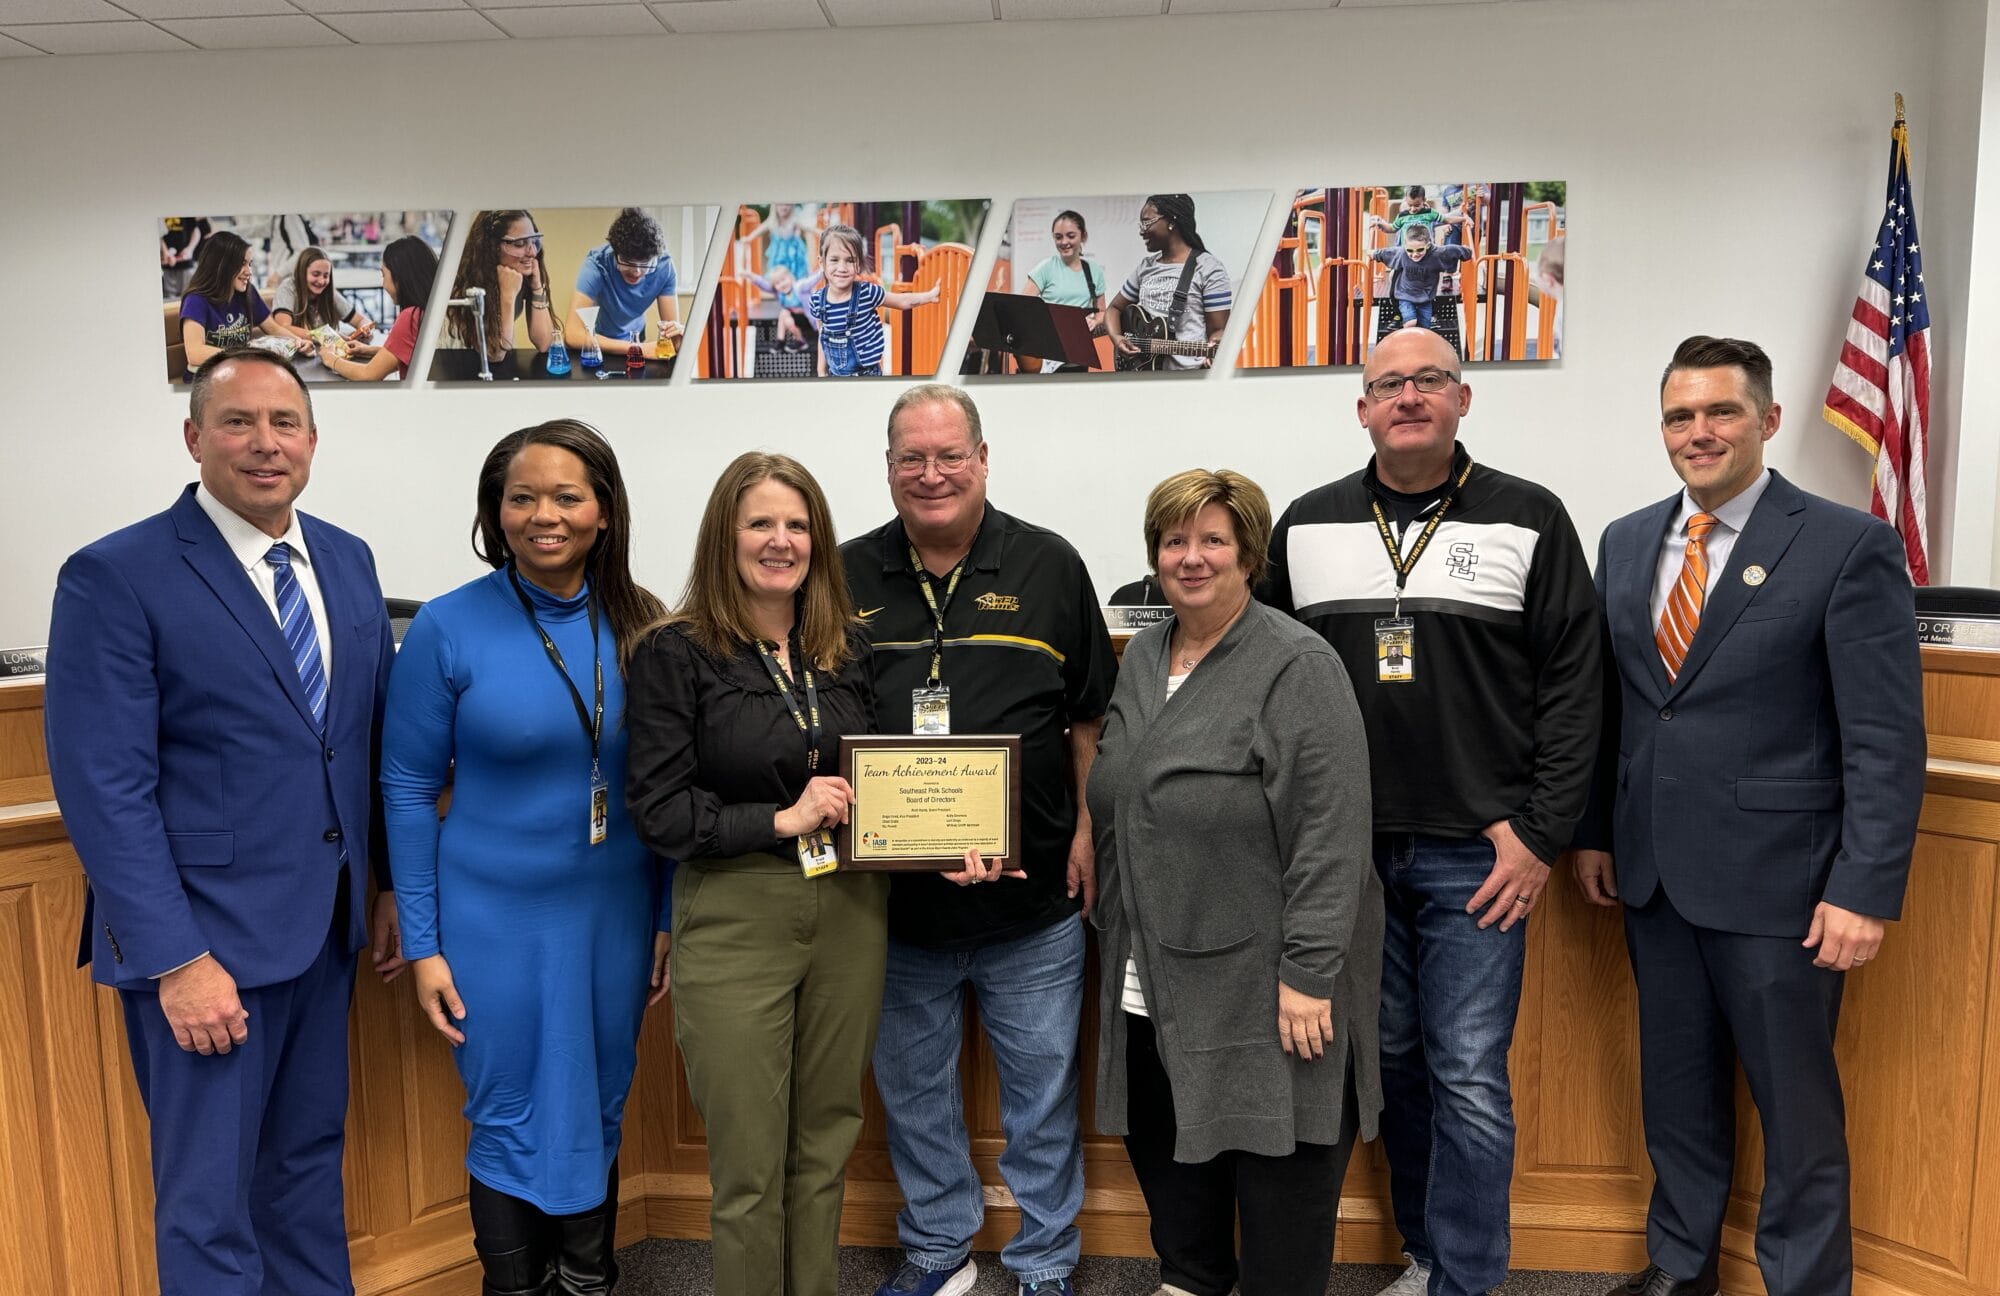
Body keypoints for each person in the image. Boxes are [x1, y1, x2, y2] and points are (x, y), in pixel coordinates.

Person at [1574, 336, 1926, 1296]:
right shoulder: (1626, 540)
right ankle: (1680, 1267)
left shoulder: (1847, 543)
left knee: (1797, 1114)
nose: (1699, 432)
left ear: (1767, 420)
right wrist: (1597, 831)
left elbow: (1885, 738)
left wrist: (1865, 888)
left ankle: (1804, 1283)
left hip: (1785, 886)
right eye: (1680, 416)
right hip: (1653, 876)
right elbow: (1618, 706)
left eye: (1721, 411)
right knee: (1675, 1095)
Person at [44, 348, 398, 1296]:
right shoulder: (116, 574)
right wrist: (176, 960)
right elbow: (103, 787)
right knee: (208, 1207)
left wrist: (387, 888)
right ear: (194, 437)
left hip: (323, 934)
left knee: (304, 1175)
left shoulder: (348, 559)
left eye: (285, 423)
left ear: (313, 441)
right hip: (205, 951)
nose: (264, 443)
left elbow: (361, 747)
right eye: (238, 422)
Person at [1263, 326, 1602, 1296]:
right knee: (1394, 1065)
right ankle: (1423, 1253)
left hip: (1478, 859)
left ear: (1463, 398)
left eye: (1428, 381)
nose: (1407, 397)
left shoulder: (1529, 517)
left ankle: (1468, 1279)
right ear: (1361, 408)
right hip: (1348, 856)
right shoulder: (1307, 524)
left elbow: (1575, 687)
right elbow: (1268, 681)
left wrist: (1539, 833)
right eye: (1388, 385)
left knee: (1467, 1074)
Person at [382, 420, 670, 1296]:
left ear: (604, 511)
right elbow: (407, 788)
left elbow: (667, 786)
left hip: (615, 916)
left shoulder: (645, 623)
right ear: (495, 511)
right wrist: (424, 945)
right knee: (507, 1107)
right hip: (490, 923)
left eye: (567, 496)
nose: (545, 515)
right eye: (522, 497)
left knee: (597, 1097)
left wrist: (665, 917)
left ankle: (589, 1282)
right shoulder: (446, 626)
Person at [842, 384, 1117, 1296]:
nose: (932, 474)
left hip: (1032, 904)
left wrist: (1087, 829)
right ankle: (938, 1250)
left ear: (983, 459)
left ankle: (1044, 1260)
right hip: (892, 909)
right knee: (914, 1093)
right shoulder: (840, 575)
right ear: (888, 468)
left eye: (950, 455)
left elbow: (1089, 718)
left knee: (1042, 1094)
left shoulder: (1048, 564)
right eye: (912, 458)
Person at [1088, 468, 1381, 1296]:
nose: (1192, 557)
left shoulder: (1298, 665)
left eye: (1213, 540)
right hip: (1151, 980)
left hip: (1270, 988)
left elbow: (1332, 834)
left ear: (1248, 554)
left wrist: (1309, 973)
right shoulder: (1146, 657)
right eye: (1174, 540)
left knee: (1281, 1195)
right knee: (1176, 1180)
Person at [624, 452, 888, 1296]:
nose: (781, 541)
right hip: (735, 909)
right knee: (748, 1161)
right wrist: (780, 819)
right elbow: (660, 812)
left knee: (826, 1140)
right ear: (724, 536)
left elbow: (885, 780)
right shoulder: (674, 652)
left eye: (798, 525)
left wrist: (947, 839)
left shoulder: (848, 647)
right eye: (760, 523)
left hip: (849, 909)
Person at [1104, 194, 1232, 370]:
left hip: (1189, 376)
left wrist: (1217, 345)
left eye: (1147, 222)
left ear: (1171, 221)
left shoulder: (1208, 268)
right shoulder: (1146, 266)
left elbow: (1218, 330)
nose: (1141, 231)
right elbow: (1114, 308)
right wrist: (1117, 339)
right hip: (1145, 374)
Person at [809, 223, 940, 377]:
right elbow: (823, 336)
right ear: (822, 263)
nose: (842, 268)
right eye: (834, 260)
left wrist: (930, 295)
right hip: (836, 378)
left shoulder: (867, 293)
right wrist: (821, 371)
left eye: (850, 260)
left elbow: (901, 301)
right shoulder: (817, 301)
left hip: (868, 375)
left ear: (858, 265)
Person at [180, 230, 310, 379]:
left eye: (250, 264)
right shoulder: (196, 300)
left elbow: (274, 328)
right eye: (242, 264)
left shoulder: (248, 292)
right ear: (221, 265)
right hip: (205, 380)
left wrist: (299, 342)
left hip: (239, 373)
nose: (249, 272)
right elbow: (195, 353)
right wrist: (248, 355)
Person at [563, 207, 685, 358]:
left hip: (637, 336)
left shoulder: (664, 267)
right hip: (601, 342)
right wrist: (639, 349)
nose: (637, 272)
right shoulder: (597, 264)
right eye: (628, 263)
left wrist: (680, 334)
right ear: (615, 253)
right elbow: (572, 334)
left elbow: (673, 340)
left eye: (645, 264)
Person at [322, 235, 436, 382]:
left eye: (383, 275)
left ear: (400, 277)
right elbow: (410, 354)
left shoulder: (411, 317)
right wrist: (369, 350)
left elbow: (368, 375)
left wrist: (331, 359)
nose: (383, 284)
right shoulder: (429, 312)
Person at [448, 209, 557, 362]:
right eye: (519, 244)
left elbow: (544, 343)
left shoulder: (520, 274)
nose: (532, 252)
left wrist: (537, 287)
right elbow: (495, 354)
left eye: (534, 242)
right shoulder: (466, 285)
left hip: (499, 354)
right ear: (492, 247)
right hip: (457, 360)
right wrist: (508, 296)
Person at [1369, 223, 1475, 332]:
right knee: (1411, 322)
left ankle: (1417, 342)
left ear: (1428, 245)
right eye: (1410, 250)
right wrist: (1374, 254)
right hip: (1405, 295)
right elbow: (1387, 253)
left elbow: (1452, 250)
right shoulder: (1402, 253)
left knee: (1425, 328)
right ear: (1405, 246)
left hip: (1425, 298)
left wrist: (1467, 252)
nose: (1415, 254)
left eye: (1419, 250)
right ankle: (1407, 338)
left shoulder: (1436, 254)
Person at [270, 245, 376, 347]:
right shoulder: (287, 288)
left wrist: (366, 329)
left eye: (326, 276)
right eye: (315, 274)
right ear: (302, 272)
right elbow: (283, 328)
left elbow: (360, 320)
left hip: (324, 353)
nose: (321, 281)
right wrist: (325, 336)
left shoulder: (329, 292)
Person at [161, 214, 210, 299]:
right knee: (169, 298)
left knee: (189, 295)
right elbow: (159, 236)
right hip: (167, 266)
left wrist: (190, 249)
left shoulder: (186, 213)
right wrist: (165, 252)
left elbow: (195, 230)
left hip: (187, 265)